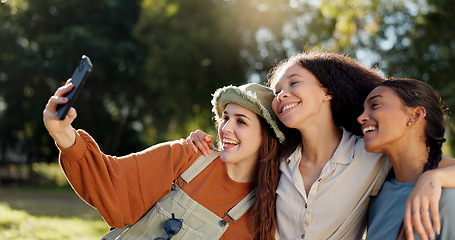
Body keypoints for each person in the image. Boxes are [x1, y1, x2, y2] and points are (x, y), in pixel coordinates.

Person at [185, 51, 455, 240]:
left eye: (294, 83)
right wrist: (197, 141)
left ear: (327, 91)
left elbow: (425, 161)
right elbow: (230, 150)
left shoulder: (370, 155)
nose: (281, 95)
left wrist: (433, 178)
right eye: (277, 92)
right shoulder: (276, 158)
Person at [43, 81, 285, 239]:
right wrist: (62, 133)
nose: (226, 128)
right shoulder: (187, 156)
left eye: (241, 121)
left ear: (267, 137)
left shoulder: (266, 210)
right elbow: (110, 180)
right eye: (225, 118)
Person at [358, 78, 455, 240]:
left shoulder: (446, 201)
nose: (361, 117)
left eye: (375, 105)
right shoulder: (377, 195)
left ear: (416, 115)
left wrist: (432, 177)